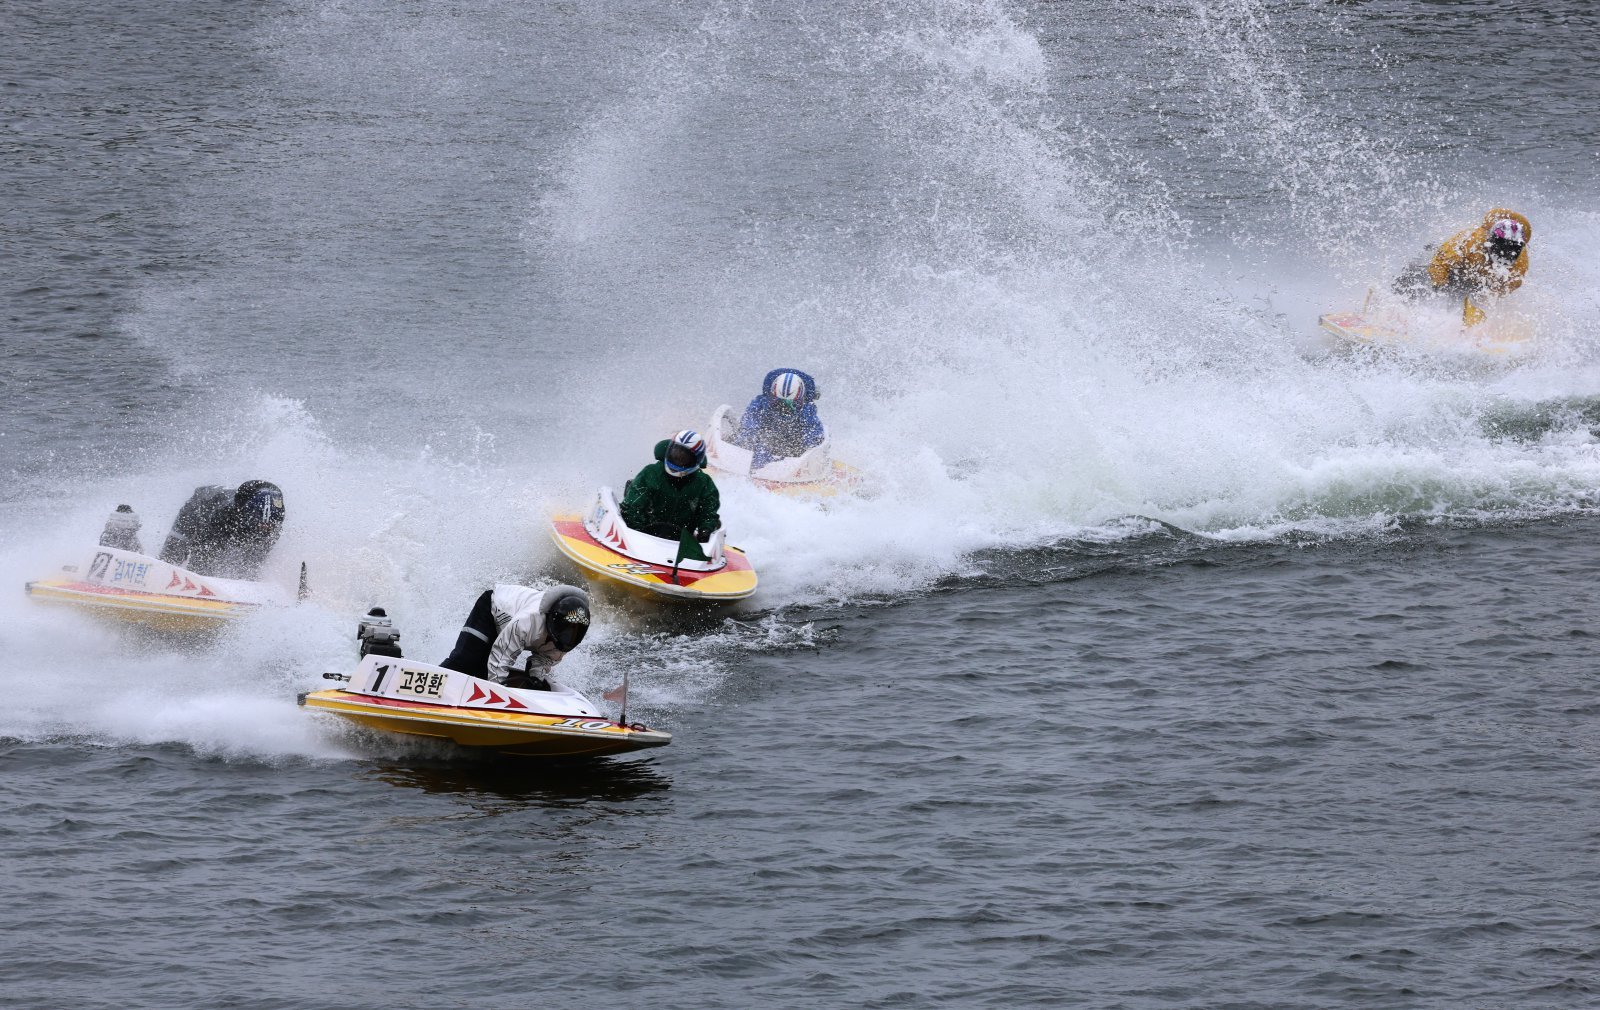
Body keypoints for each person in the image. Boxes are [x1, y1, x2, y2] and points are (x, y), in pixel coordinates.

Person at [439, 584, 591, 689]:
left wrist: (535, 679)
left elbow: (542, 660)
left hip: (512, 626)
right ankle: (425, 690)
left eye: (575, 631)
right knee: (467, 660)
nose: (570, 634)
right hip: (492, 608)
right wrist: (498, 692)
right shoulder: (528, 621)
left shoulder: (567, 641)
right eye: (567, 629)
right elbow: (501, 657)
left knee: (483, 672)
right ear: (554, 620)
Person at [1393, 209, 1532, 303]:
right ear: (1491, 239)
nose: (1506, 251)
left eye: (1513, 247)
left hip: (1478, 281)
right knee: (1418, 276)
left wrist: (1483, 300)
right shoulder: (1470, 241)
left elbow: (1505, 288)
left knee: (1466, 295)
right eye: (1502, 245)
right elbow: (1439, 263)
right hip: (1448, 265)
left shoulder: (1520, 265)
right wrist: (1438, 286)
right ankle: (1394, 300)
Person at [157, 479, 285, 580]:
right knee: (173, 557)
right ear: (248, 516)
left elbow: (252, 564)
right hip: (197, 510)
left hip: (228, 518)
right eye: (260, 523)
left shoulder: (272, 529)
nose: (266, 528)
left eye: (271, 524)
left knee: (247, 568)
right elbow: (200, 557)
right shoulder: (224, 516)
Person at [619, 429, 722, 542]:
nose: (677, 459)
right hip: (640, 537)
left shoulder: (704, 483)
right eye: (675, 453)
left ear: (695, 460)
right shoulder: (651, 473)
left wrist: (705, 530)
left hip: (680, 544)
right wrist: (638, 531)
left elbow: (708, 513)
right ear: (668, 450)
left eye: (683, 457)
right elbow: (632, 508)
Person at [732, 368, 826, 468]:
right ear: (771, 396)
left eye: (792, 404)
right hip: (760, 447)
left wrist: (809, 452)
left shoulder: (807, 411)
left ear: (801, 400)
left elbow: (815, 436)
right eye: (778, 402)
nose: (784, 408)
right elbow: (748, 427)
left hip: (793, 451)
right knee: (749, 439)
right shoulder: (760, 405)